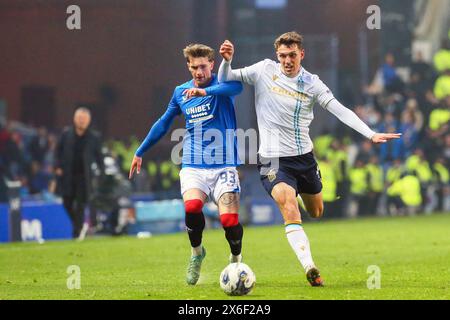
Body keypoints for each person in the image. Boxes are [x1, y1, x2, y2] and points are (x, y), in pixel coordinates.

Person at [218, 31, 401, 286]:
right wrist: (226, 61)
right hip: (272, 159)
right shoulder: (263, 70)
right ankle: (310, 267)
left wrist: (370, 134)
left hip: (304, 159)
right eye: (282, 55)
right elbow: (226, 77)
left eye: (292, 55)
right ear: (277, 56)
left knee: (316, 211)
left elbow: (340, 110)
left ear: (301, 54)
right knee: (289, 207)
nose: (287, 60)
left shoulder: (312, 83)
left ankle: (300, 196)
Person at [129, 44, 243, 286]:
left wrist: (206, 93)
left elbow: (237, 86)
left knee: (229, 222)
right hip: (193, 163)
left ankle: (236, 259)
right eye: (194, 67)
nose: (199, 72)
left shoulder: (222, 85)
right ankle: (196, 253)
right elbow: (163, 123)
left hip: (224, 165)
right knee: (192, 207)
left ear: (212, 64)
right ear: (188, 66)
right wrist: (140, 151)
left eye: (203, 66)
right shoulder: (180, 92)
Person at [55, 107, 103, 239]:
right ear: (74, 119)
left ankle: (76, 233)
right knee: (67, 203)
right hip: (68, 175)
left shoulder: (94, 137)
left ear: (89, 121)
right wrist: (57, 167)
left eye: (84, 119)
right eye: (79, 118)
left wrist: (101, 175)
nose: (81, 121)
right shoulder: (66, 134)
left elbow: (100, 158)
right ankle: (79, 225)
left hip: (84, 178)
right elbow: (58, 152)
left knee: (80, 205)